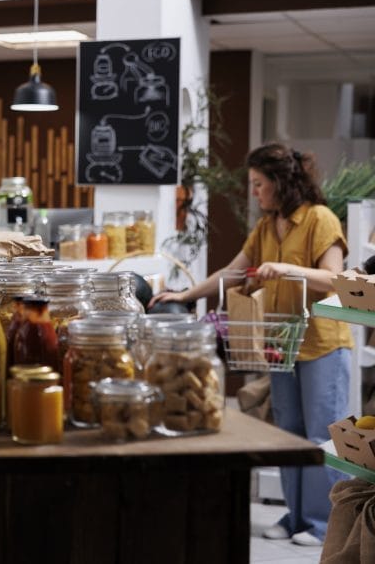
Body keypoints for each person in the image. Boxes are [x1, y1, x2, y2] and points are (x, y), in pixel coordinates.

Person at [150, 142, 351, 548]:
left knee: (321, 438)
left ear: (280, 182)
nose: (255, 192)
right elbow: (232, 272)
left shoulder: (320, 220)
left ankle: (321, 524)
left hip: (323, 345)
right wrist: (186, 296)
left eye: (260, 184)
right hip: (279, 345)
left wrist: (288, 269)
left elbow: (336, 281)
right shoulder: (266, 227)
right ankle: (296, 516)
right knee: (290, 435)